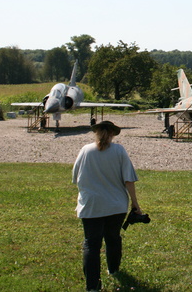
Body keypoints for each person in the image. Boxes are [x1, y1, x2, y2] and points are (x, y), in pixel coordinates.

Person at [72, 120, 142, 291]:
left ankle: (92, 286)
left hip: (91, 205)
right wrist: (135, 203)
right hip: (116, 205)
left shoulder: (85, 150)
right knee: (113, 238)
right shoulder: (119, 151)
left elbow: (75, 177)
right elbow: (128, 179)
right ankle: (113, 269)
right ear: (112, 134)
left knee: (91, 244)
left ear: (96, 133)